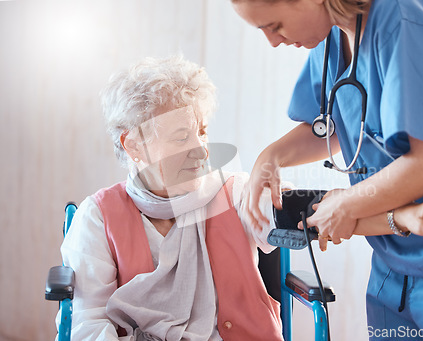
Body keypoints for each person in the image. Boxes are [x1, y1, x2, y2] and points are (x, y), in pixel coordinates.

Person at [231, 0, 423, 339]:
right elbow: (334, 123)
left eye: (275, 25)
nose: (273, 41)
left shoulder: (405, 18)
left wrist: (346, 204)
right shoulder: (332, 35)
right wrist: (272, 157)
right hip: (393, 253)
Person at [57, 56, 284, 341]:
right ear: (135, 145)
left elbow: (281, 208)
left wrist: (307, 206)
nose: (202, 151)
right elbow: (88, 321)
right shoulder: (98, 216)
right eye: (181, 137)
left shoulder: (236, 192)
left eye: (202, 132)